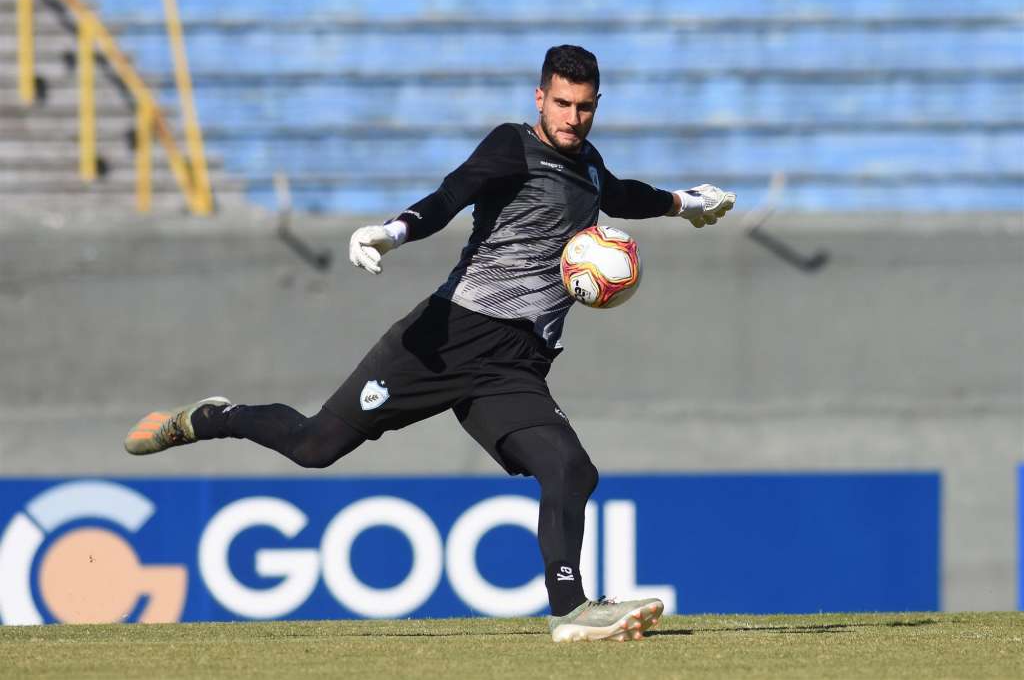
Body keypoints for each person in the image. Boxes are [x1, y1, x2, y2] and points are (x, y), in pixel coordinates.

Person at [124, 44, 735, 642]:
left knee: (572, 471)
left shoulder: (588, 164)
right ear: (539, 97)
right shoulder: (511, 146)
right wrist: (392, 232)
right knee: (314, 447)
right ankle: (213, 417)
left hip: (514, 367)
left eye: (585, 107)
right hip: (445, 337)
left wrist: (686, 203)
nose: (573, 119)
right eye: (562, 104)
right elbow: (451, 196)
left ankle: (571, 611)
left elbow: (621, 193)